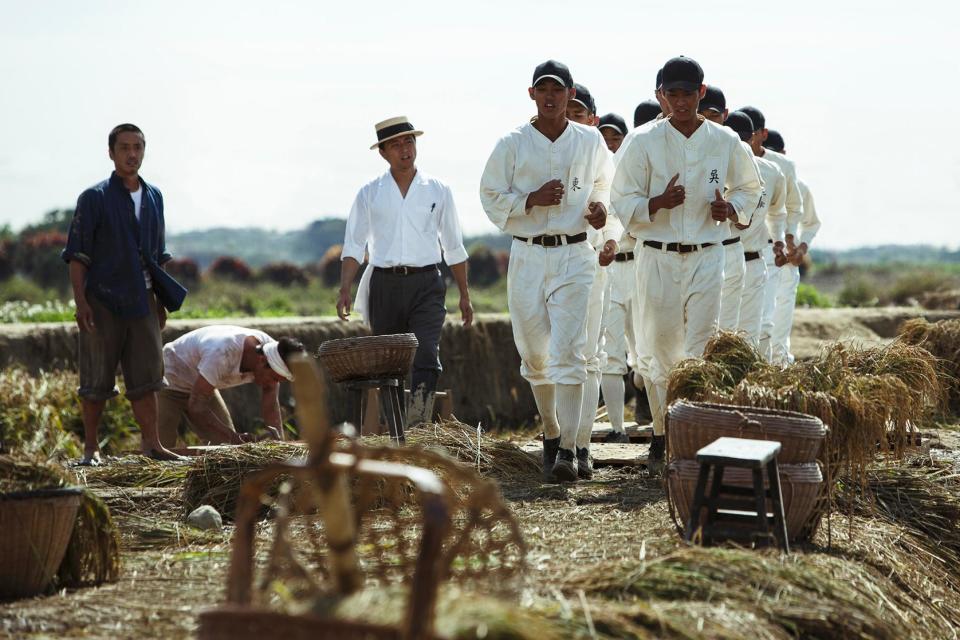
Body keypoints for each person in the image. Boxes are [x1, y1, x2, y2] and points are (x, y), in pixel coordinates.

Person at [613, 57, 762, 474]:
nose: (679, 102)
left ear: (701, 92)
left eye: (687, 93)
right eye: (671, 93)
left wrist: (731, 207)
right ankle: (661, 434)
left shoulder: (725, 140)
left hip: (706, 255)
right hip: (656, 255)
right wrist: (655, 204)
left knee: (698, 349)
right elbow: (621, 198)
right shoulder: (642, 141)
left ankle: (692, 438)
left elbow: (752, 188)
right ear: (661, 95)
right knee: (659, 349)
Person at [480, 60, 614, 482]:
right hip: (528, 255)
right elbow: (490, 196)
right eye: (544, 90)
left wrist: (601, 215)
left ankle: (573, 450)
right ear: (532, 94)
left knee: (571, 354)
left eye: (558, 90)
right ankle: (553, 433)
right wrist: (530, 200)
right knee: (535, 356)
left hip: (575, 255)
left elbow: (605, 188)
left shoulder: (590, 141)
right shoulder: (512, 144)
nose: (552, 97)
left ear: (571, 94)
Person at [62, 123, 187, 466]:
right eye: (125, 148)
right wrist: (81, 303)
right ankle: (91, 450)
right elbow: (77, 255)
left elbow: (159, 254)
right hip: (102, 300)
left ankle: (153, 446)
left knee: (148, 377)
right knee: (96, 379)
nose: (132, 154)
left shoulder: (153, 196)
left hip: (143, 298)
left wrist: (160, 302)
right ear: (111, 153)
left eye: (138, 147)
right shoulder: (95, 198)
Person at [338, 116, 473, 428]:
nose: (404, 149)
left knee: (427, 354)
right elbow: (354, 245)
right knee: (388, 363)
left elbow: (454, 245)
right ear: (383, 152)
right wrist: (345, 287)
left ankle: (419, 425)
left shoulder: (438, 190)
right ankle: (398, 432)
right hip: (384, 285)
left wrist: (465, 295)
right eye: (395, 144)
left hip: (427, 283)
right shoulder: (369, 193)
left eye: (409, 142)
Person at [566, 84, 622, 479]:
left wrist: (608, 240)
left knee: (587, 355)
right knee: (552, 356)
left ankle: (580, 444)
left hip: (590, 262)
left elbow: (616, 206)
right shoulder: (543, 152)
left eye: (578, 111)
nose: (570, 117)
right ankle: (559, 437)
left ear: (593, 120)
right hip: (547, 264)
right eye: (566, 110)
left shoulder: (600, 157)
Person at [157, 326, 305, 447]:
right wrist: (233, 436)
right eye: (273, 378)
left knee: (227, 448)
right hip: (170, 380)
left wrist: (278, 444)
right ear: (262, 360)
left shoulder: (274, 352)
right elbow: (196, 406)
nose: (272, 383)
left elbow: (271, 405)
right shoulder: (222, 352)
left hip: (203, 385)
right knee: (160, 449)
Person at [738, 106, 804, 362]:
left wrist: (786, 239)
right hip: (729, 249)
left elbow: (792, 207)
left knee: (766, 323)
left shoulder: (780, 166)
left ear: (760, 135)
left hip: (766, 251)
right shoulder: (723, 161)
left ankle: (761, 377)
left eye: (749, 136)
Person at [724, 111, 787, 347]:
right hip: (721, 260)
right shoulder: (718, 170)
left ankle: (754, 383)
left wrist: (778, 240)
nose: (740, 144)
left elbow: (777, 212)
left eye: (744, 138)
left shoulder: (772, 172)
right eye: (735, 139)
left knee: (755, 333)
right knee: (721, 333)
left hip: (753, 261)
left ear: (753, 138)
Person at [699, 86, 747, 330]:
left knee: (725, 329)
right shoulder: (686, 146)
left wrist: (730, 209)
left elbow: (750, 199)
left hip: (726, 247)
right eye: (703, 115)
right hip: (693, 252)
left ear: (725, 115)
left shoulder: (734, 146)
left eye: (714, 115)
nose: (708, 121)